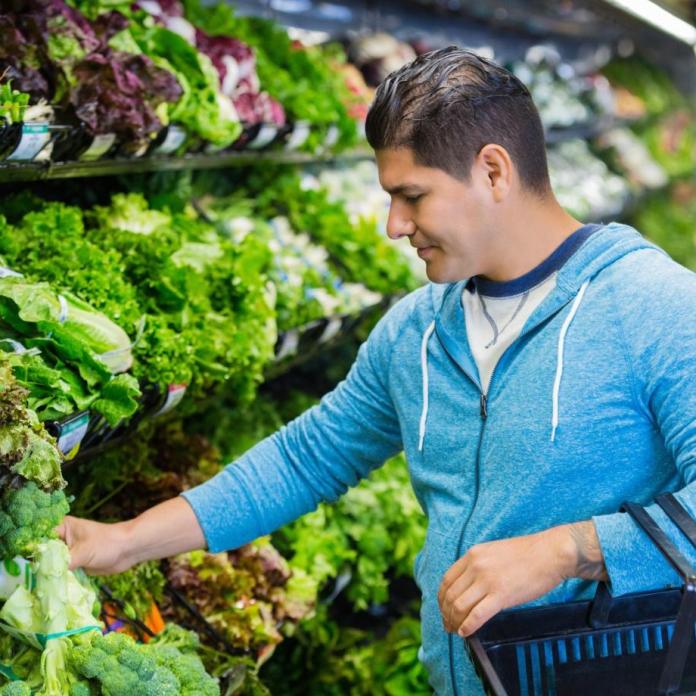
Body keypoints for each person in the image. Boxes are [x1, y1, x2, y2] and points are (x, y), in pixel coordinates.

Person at [58, 46, 696, 695]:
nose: (394, 225)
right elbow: (304, 460)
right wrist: (127, 541)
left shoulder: (652, 306)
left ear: (494, 172)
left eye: (411, 196)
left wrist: (569, 550)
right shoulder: (416, 331)